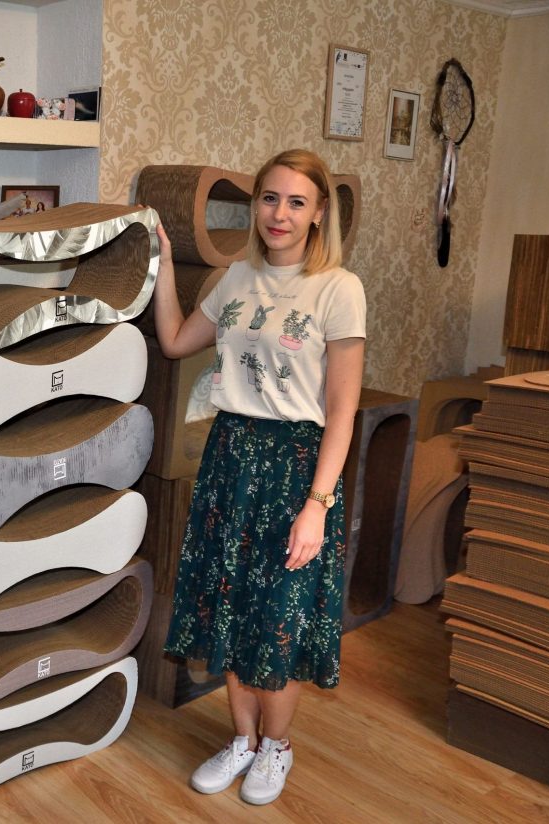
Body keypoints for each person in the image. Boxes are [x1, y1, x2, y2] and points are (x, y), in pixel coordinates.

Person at [151, 149, 366, 805]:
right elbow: (175, 341)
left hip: (297, 467)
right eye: (270, 198)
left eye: (297, 202)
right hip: (231, 458)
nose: (280, 214)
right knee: (232, 607)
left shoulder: (339, 289)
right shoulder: (235, 278)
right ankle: (242, 740)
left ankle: (277, 747)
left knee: (281, 618)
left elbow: (342, 411)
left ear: (319, 213)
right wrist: (163, 265)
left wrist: (317, 505)